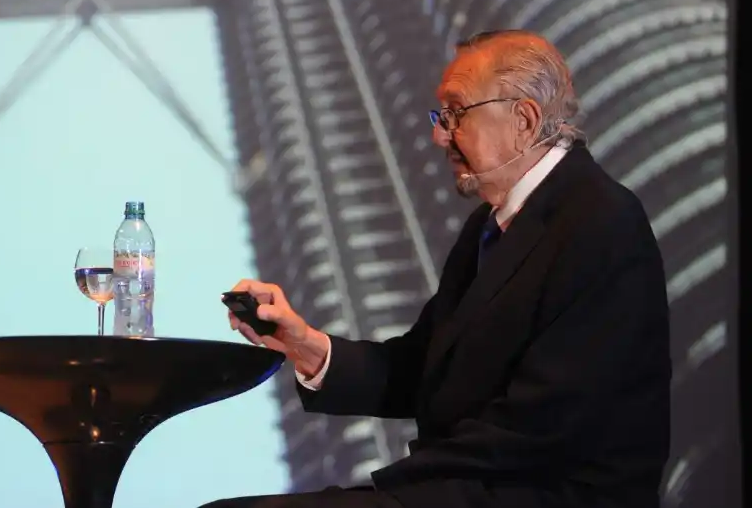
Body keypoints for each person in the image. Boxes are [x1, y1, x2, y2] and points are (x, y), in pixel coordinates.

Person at [205, 30, 671, 508]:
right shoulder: (488, 227)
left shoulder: (600, 221)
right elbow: (422, 368)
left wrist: (387, 489)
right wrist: (304, 345)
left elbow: (543, 425)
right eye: (440, 116)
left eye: (455, 113)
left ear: (524, 120)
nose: (439, 135)